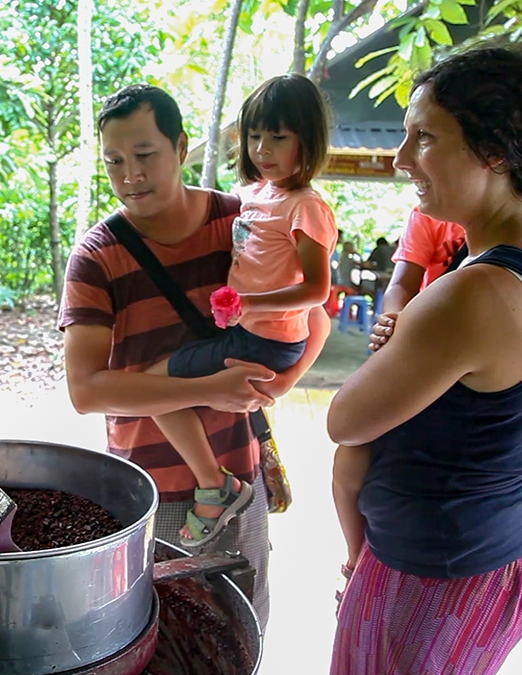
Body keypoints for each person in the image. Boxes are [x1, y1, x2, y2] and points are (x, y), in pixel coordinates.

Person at [327, 42, 522, 675]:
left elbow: (346, 422)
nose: (400, 160)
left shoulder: (473, 295)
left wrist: (403, 338)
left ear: (494, 152)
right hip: (521, 543)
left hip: (437, 572)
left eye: (424, 138)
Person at [58, 84, 330, 631]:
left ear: (181, 147)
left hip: (239, 477)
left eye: (144, 156)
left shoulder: (245, 219)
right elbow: (87, 391)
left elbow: (316, 314)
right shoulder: (96, 257)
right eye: (114, 161)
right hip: (148, 491)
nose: (129, 175)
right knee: (158, 640)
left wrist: (282, 382)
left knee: (238, 630)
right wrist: (209, 390)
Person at [139, 74, 336, 547]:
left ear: (306, 140)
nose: (263, 148)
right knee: (161, 383)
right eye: (254, 136)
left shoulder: (304, 207)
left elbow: (317, 294)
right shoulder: (251, 196)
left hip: (262, 340)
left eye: (279, 137)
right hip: (245, 332)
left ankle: (215, 486)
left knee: (151, 386)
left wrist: (251, 305)